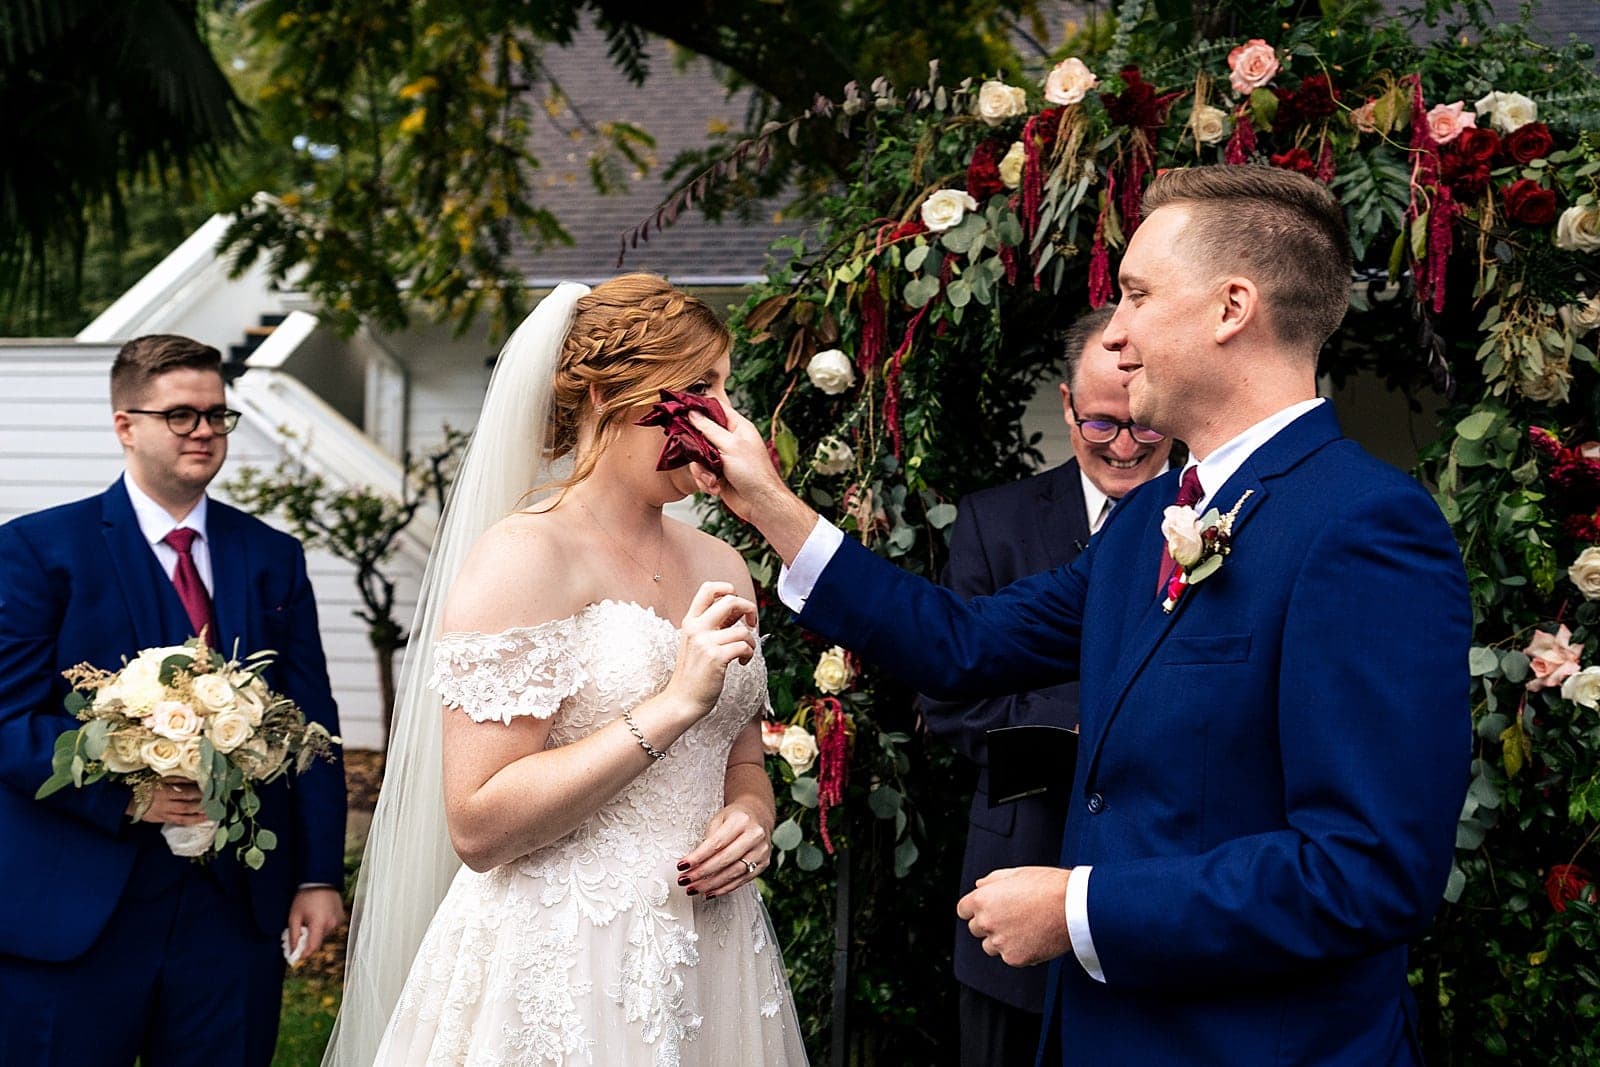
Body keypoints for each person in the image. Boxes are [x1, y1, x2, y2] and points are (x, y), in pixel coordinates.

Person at [688, 166, 1471, 1064]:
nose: (1118, 331)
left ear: (1232, 308)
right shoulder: (1147, 521)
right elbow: (962, 643)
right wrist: (772, 505)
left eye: (1137, 293)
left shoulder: (1365, 528)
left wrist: (1079, 908)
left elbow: (1367, 869)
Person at [323, 275, 808, 1066]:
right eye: (698, 388)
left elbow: (741, 757)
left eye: (726, 388)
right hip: (567, 958)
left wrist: (752, 816)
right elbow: (478, 825)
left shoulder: (722, 560)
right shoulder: (524, 555)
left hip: (713, 949)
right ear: (607, 395)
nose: (726, 417)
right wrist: (671, 704)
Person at [0, 334, 347, 1065]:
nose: (204, 432)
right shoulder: (35, 550)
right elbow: (8, 722)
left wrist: (317, 875)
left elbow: (313, 724)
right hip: (80, 903)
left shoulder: (271, 556)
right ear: (125, 425)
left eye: (218, 415)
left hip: (233, 910)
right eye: (181, 415)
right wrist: (126, 796)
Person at [915, 306, 1171, 1066]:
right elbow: (948, 696)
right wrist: (1083, 734)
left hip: (1162, 885)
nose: (1123, 447)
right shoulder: (993, 521)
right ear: (1066, 405)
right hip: (1021, 860)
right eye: (1100, 425)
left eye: (1142, 427)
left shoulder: (1222, 516)